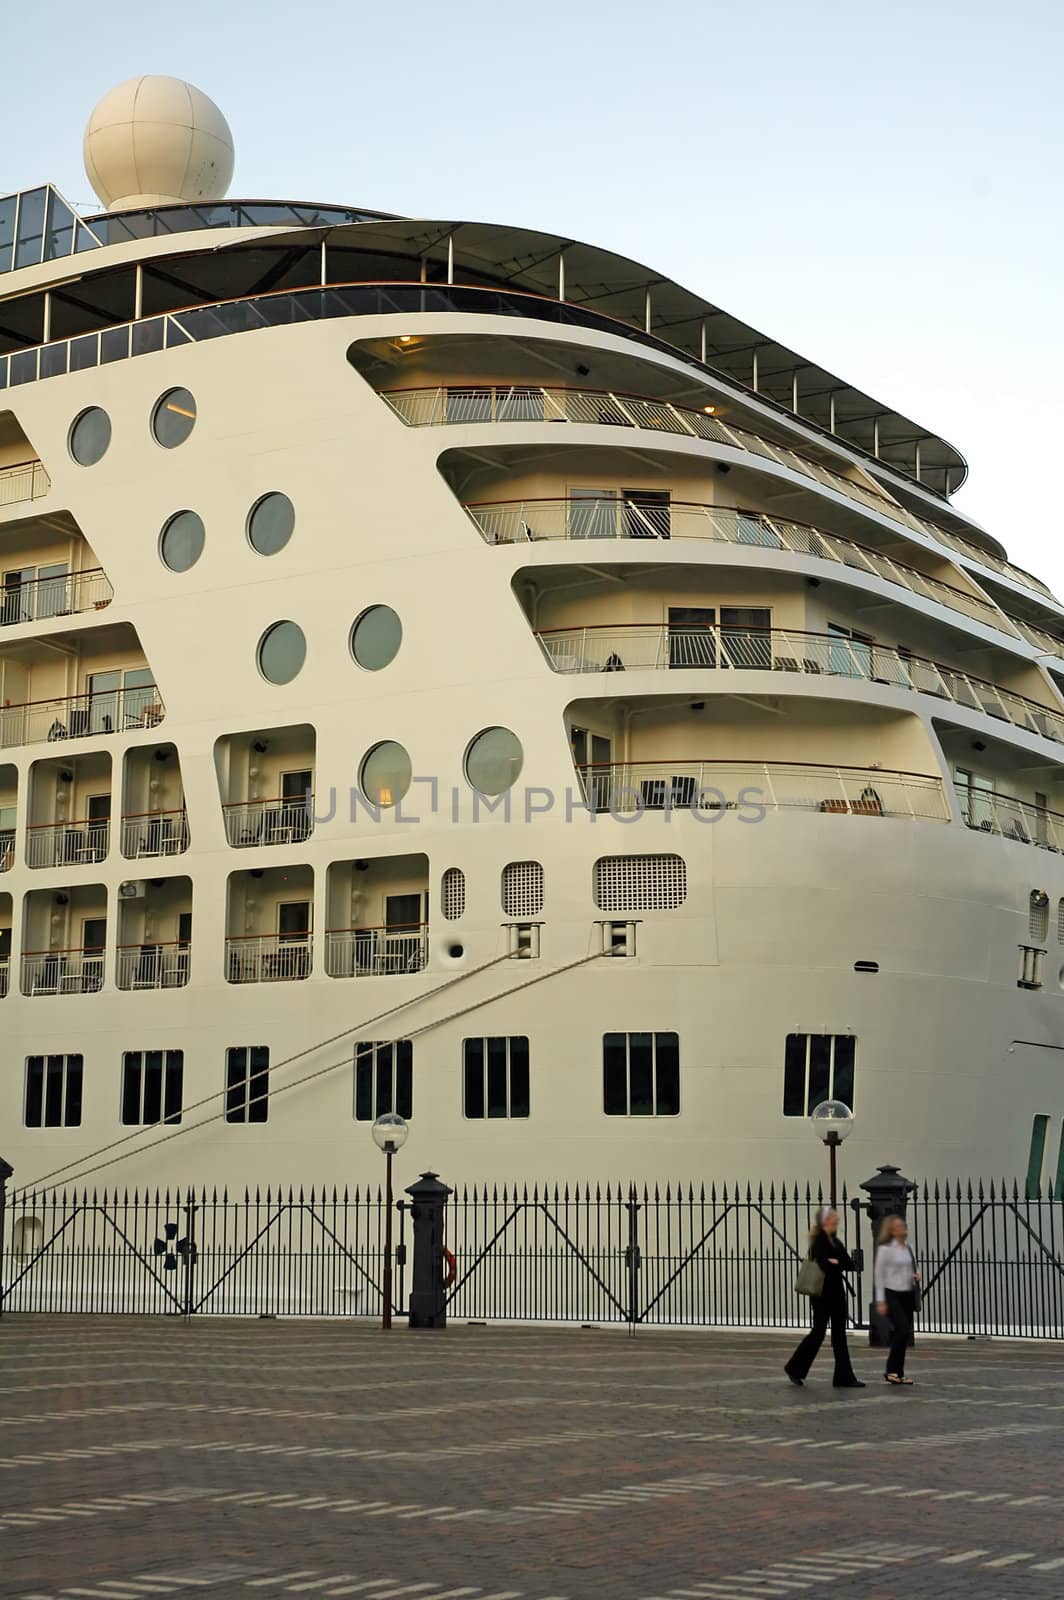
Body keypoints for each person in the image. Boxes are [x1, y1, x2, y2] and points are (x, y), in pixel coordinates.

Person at [785, 1206, 864, 1388]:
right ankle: (794, 1368)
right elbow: (825, 1265)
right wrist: (836, 1262)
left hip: (836, 1293)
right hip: (822, 1294)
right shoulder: (820, 1241)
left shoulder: (835, 1241)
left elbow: (849, 1263)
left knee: (839, 1336)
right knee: (818, 1332)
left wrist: (836, 1262)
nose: (837, 1220)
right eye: (834, 1218)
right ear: (826, 1221)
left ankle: (844, 1377)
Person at [875, 1214, 920, 1386]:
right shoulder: (885, 1250)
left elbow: (913, 1267)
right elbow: (879, 1276)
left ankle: (898, 1373)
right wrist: (880, 1301)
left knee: (905, 1332)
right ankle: (891, 1370)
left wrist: (916, 1275)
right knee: (901, 1329)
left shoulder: (909, 1248)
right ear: (892, 1231)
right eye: (898, 1226)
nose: (902, 1228)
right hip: (891, 1293)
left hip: (907, 1293)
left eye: (903, 1225)